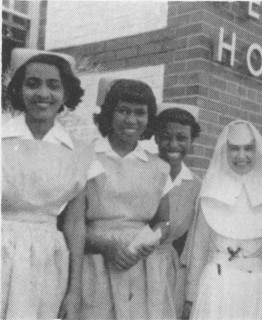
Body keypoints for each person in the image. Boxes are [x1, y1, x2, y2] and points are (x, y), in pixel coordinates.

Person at [2, 48, 102, 319]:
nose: (43, 94)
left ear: (66, 93)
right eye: (32, 84)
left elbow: (74, 224)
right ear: (19, 89)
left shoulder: (78, 152)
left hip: (48, 260)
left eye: (53, 85)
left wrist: (74, 290)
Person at [80, 78, 172, 319]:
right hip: (96, 262)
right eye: (123, 111)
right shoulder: (85, 156)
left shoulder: (159, 167)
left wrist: (149, 240)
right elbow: (71, 222)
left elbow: (163, 221)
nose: (131, 120)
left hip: (141, 266)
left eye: (140, 113)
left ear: (149, 118)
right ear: (109, 113)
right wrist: (105, 245)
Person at [183, 120, 262, 319]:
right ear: (225, 150)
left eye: (248, 148)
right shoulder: (211, 190)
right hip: (217, 285)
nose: (241, 156)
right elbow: (198, 248)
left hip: (259, 287)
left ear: (257, 151)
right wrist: (190, 296)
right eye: (234, 149)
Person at [145, 103, 202, 318]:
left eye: (182, 138)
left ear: (191, 141)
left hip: (167, 271)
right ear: (157, 138)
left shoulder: (196, 186)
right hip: (133, 262)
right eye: (166, 136)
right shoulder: (144, 168)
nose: (173, 144)